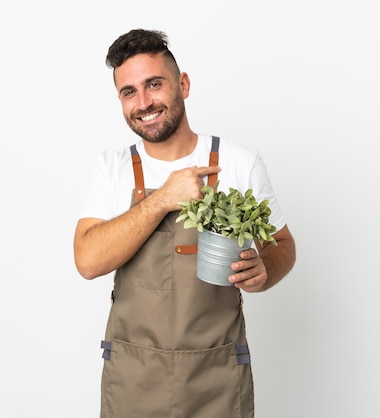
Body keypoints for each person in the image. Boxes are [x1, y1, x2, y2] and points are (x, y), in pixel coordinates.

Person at [73, 28, 296, 418]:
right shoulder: (112, 168)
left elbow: (282, 245)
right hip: (133, 380)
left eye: (154, 84)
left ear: (183, 84)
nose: (143, 103)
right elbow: (88, 260)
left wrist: (265, 270)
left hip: (218, 379)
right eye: (129, 92)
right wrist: (162, 199)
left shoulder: (239, 161)